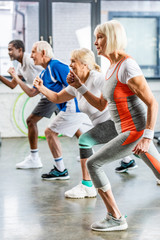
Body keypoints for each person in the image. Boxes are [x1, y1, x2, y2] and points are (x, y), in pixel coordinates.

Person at [66, 20, 160, 231]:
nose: (95, 42)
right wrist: (79, 87)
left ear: (113, 38)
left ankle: (115, 217)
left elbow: (152, 102)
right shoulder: (111, 68)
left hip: (133, 132)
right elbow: (100, 104)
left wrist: (146, 137)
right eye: (95, 37)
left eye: (100, 37)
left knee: (93, 163)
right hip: (126, 131)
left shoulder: (128, 66)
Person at [33, 47, 135, 198]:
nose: (70, 65)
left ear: (84, 65)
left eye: (73, 61)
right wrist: (41, 88)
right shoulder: (77, 84)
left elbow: (102, 105)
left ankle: (87, 186)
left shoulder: (97, 78)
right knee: (141, 150)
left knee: (85, 140)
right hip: (104, 124)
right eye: (70, 61)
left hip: (117, 122)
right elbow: (56, 98)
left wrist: (80, 88)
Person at [8, 41, 92, 179]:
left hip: (74, 107)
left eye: (34, 52)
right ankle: (126, 159)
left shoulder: (56, 65)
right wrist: (16, 78)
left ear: (43, 53)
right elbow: (31, 92)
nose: (32, 56)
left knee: (50, 132)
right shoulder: (43, 75)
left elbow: (77, 83)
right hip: (68, 107)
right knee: (92, 134)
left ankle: (61, 170)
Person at [0, 40, 59, 169]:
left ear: (20, 50)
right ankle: (88, 150)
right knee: (74, 124)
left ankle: (34, 158)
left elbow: (46, 71)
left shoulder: (30, 60)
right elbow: (12, 85)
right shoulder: (21, 66)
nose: (9, 52)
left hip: (51, 94)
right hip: (50, 94)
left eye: (11, 49)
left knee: (31, 121)